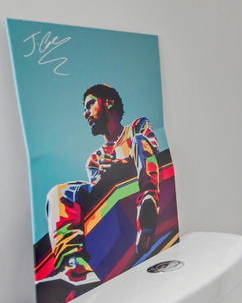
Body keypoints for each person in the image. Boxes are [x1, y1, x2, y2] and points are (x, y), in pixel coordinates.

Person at [43, 84, 161, 287]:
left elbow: (152, 151)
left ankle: (149, 203)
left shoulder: (136, 128)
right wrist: (103, 175)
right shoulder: (95, 158)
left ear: (108, 102)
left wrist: (119, 165)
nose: (85, 113)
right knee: (60, 192)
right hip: (109, 190)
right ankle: (74, 266)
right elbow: (98, 191)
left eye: (89, 105)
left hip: (138, 179)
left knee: (140, 141)